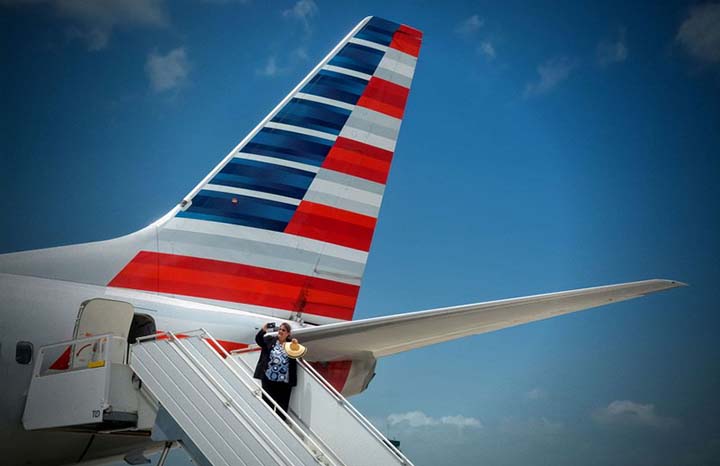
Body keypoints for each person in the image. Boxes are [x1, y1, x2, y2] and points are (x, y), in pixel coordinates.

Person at [253, 322, 297, 419]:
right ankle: (266, 424)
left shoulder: (290, 344)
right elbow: (259, 340)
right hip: (268, 380)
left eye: (283, 330)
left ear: (288, 333)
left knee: (281, 409)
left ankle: (279, 425)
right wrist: (263, 330)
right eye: (279, 329)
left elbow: (299, 355)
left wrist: (295, 345)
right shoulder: (270, 340)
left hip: (283, 383)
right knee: (267, 406)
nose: (280, 331)